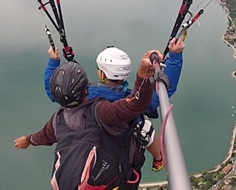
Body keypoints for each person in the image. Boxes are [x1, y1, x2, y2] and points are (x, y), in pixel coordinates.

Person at [14, 49, 160, 190]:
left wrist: (27, 140)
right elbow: (135, 105)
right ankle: (159, 160)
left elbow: (43, 136)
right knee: (145, 127)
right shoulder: (101, 112)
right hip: (114, 183)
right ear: (86, 89)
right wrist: (144, 75)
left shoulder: (57, 121)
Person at [43, 38, 185, 172]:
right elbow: (165, 89)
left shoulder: (85, 95)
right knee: (146, 126)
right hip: (121, 154)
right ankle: (158, 160)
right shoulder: (134, 102)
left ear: (102, 75)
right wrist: (175, 56)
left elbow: (53, 92)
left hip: (90, 146)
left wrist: (54, 61)